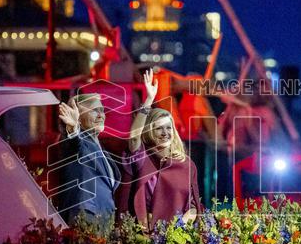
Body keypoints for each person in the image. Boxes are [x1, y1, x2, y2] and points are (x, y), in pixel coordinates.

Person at [117, 70, 202, 227]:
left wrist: (179, 226)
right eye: (159, 129)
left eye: (168, 128)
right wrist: (149, 101)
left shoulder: (185, 164)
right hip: (142, 235)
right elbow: (134, 137)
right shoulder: (142, 156)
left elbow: (193, 206)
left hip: (175, 238)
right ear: (150, 132)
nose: (165, 133)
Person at [52, 92, 120, 225]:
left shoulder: (99, 146)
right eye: (95, 111)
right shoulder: (75, 141)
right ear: (78, 117)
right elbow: (73, 144)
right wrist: (72, 128)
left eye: (102, 110)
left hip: (104, 220)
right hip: (84, 218)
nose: (101, 115)